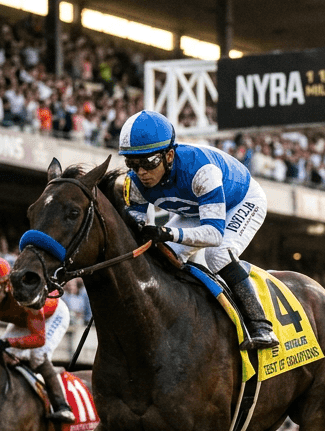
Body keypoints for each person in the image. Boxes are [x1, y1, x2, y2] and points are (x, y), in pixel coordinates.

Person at [118, 110, 278, 350]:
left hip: (241, 202)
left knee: (218, 254)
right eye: (132, 163)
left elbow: (213, 234)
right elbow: (134, 222)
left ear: (169, 155)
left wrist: (169, 233)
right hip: (195, 210)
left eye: (148, 162)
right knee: (162, 257)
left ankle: (260, 325)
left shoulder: (201, 171)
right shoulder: (136, 182)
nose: (141, 172)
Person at [0, 255, 74, 423]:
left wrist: (8, 342)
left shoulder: (25, 298)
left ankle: (62, 406)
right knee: (1, 356)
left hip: (52, 315)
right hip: (23, 321)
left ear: (6, 285)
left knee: (37, 355)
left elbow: (39, 339)